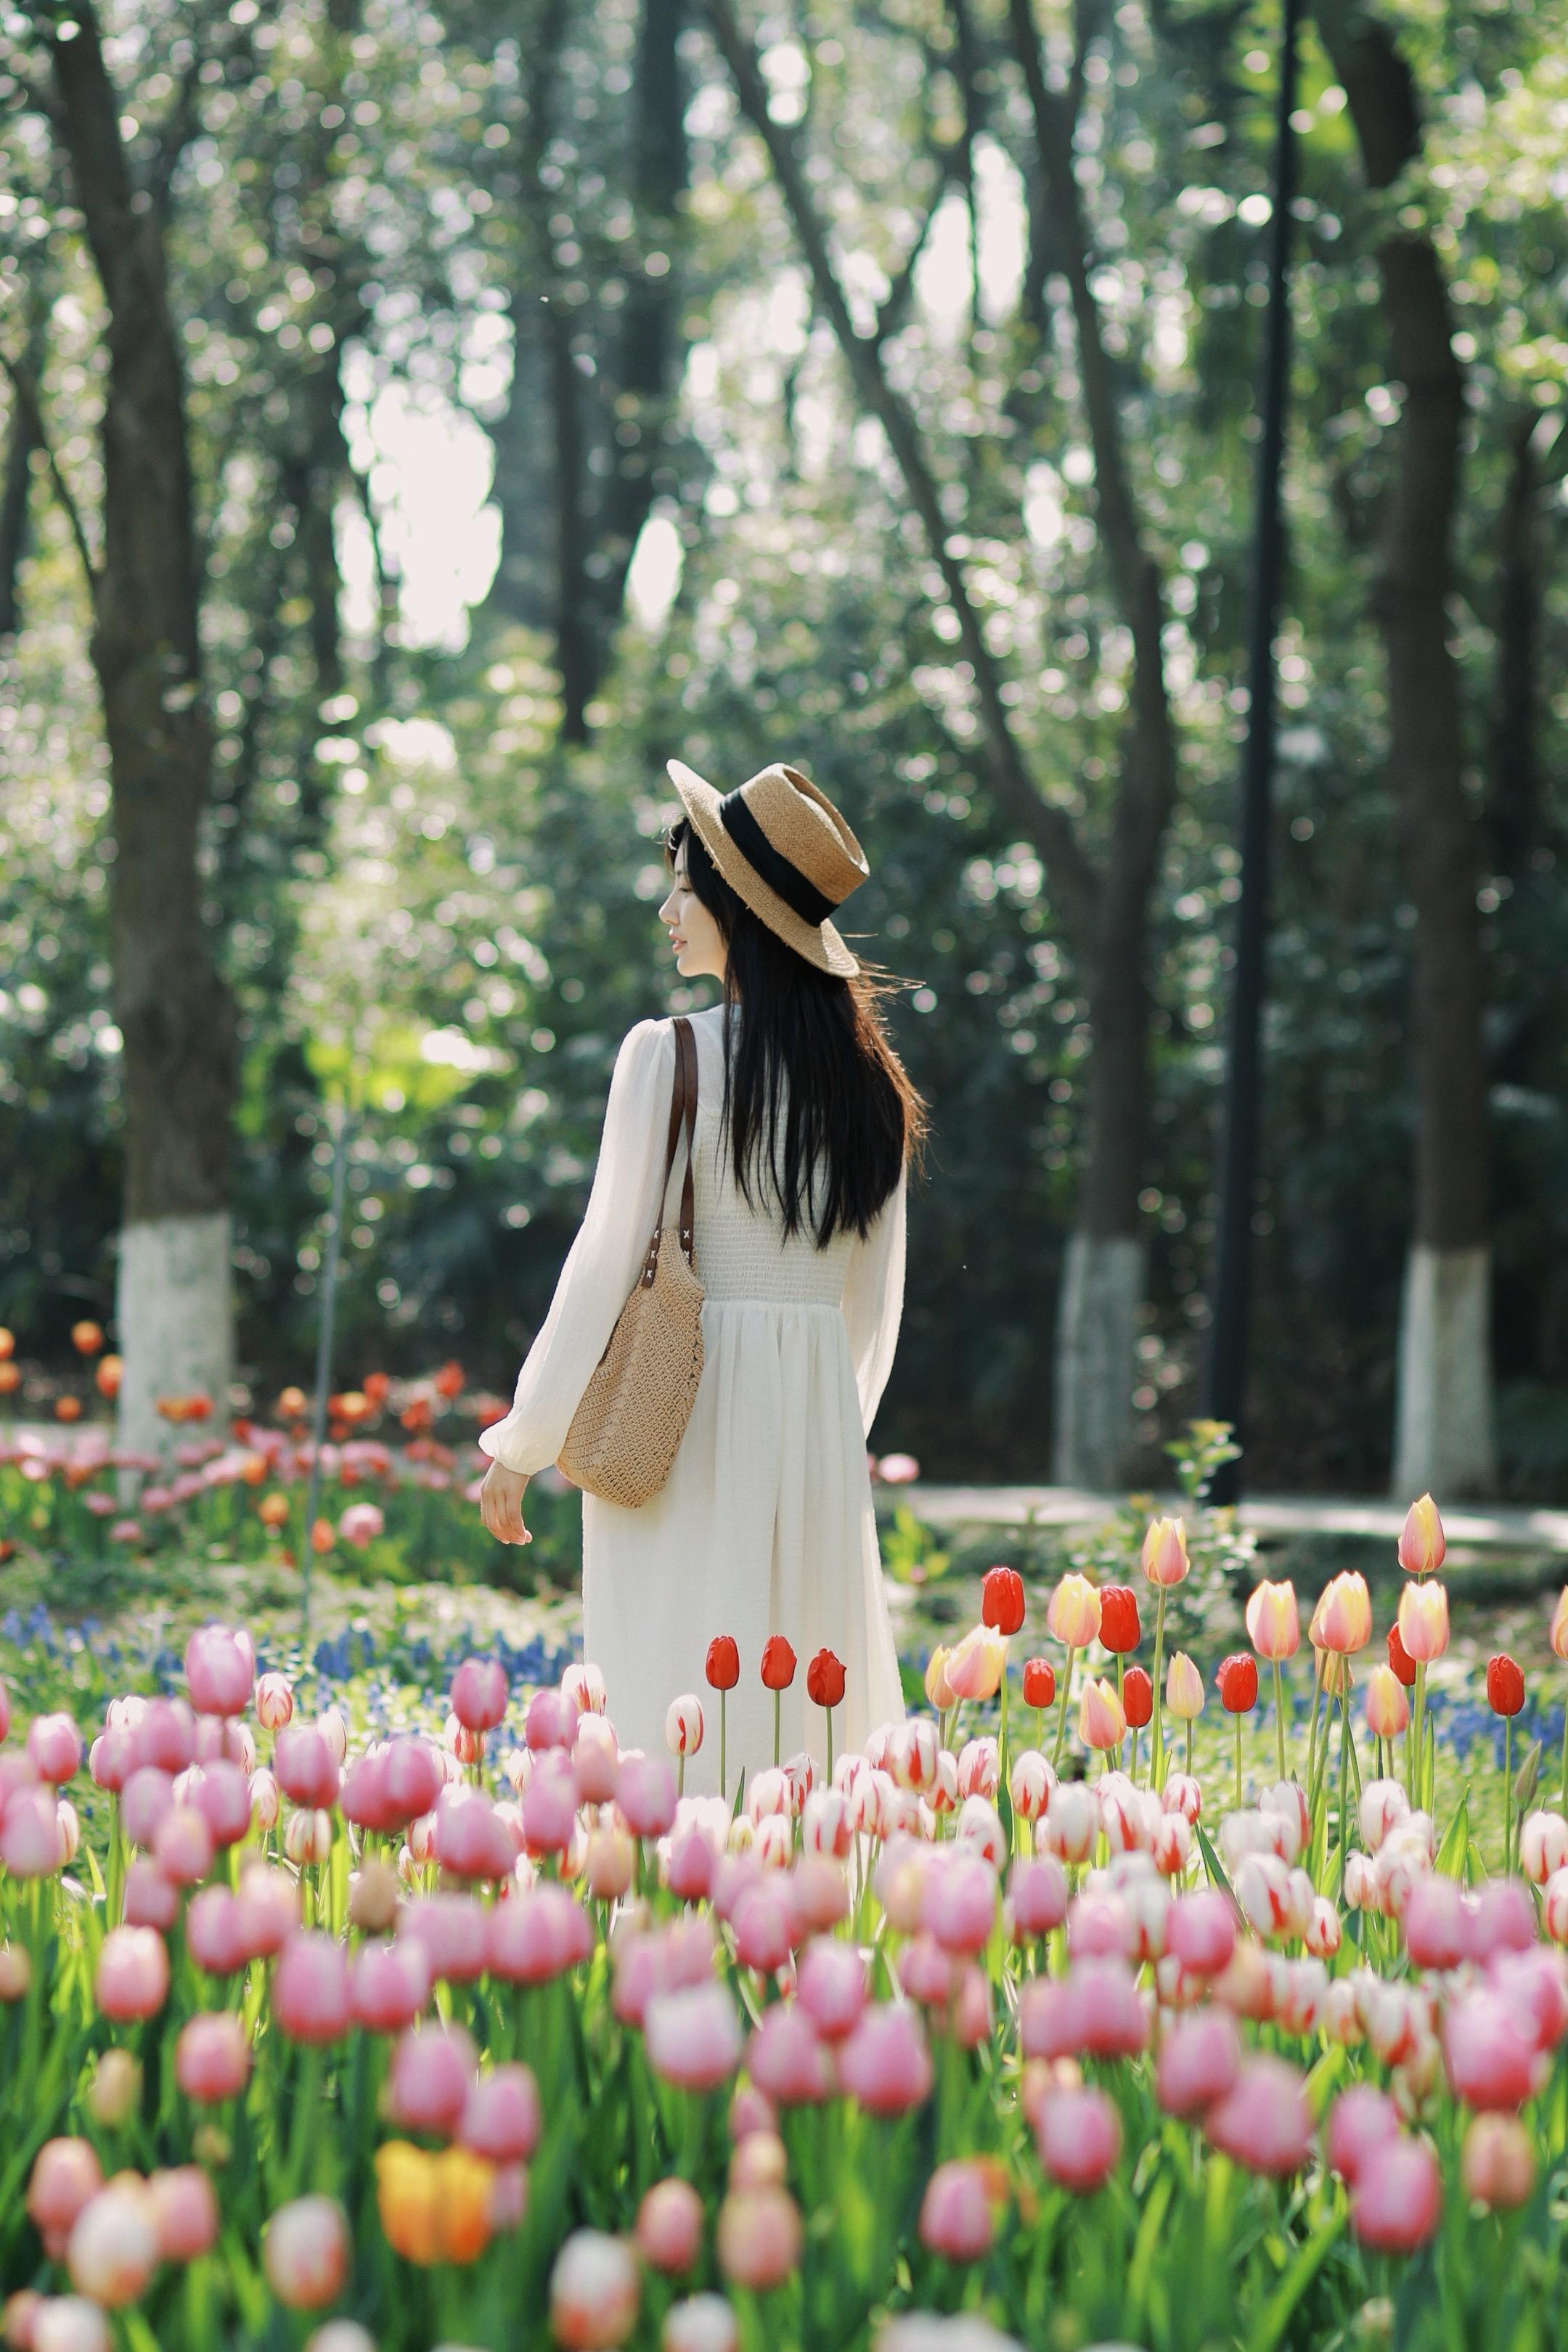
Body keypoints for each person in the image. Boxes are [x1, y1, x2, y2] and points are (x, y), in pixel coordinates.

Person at [476, 756, 927, 1789]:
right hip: (810, 1426)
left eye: (688, 885)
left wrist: (525, 1439)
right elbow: (873, 1303)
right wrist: (821, 1426)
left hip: (679, 1418)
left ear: (743, 909)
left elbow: (600, 1268)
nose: (670, 907)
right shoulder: (874, 1090)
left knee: (668, 1694)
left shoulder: (668, 1056)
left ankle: (669, 1919)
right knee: (799, 1712)